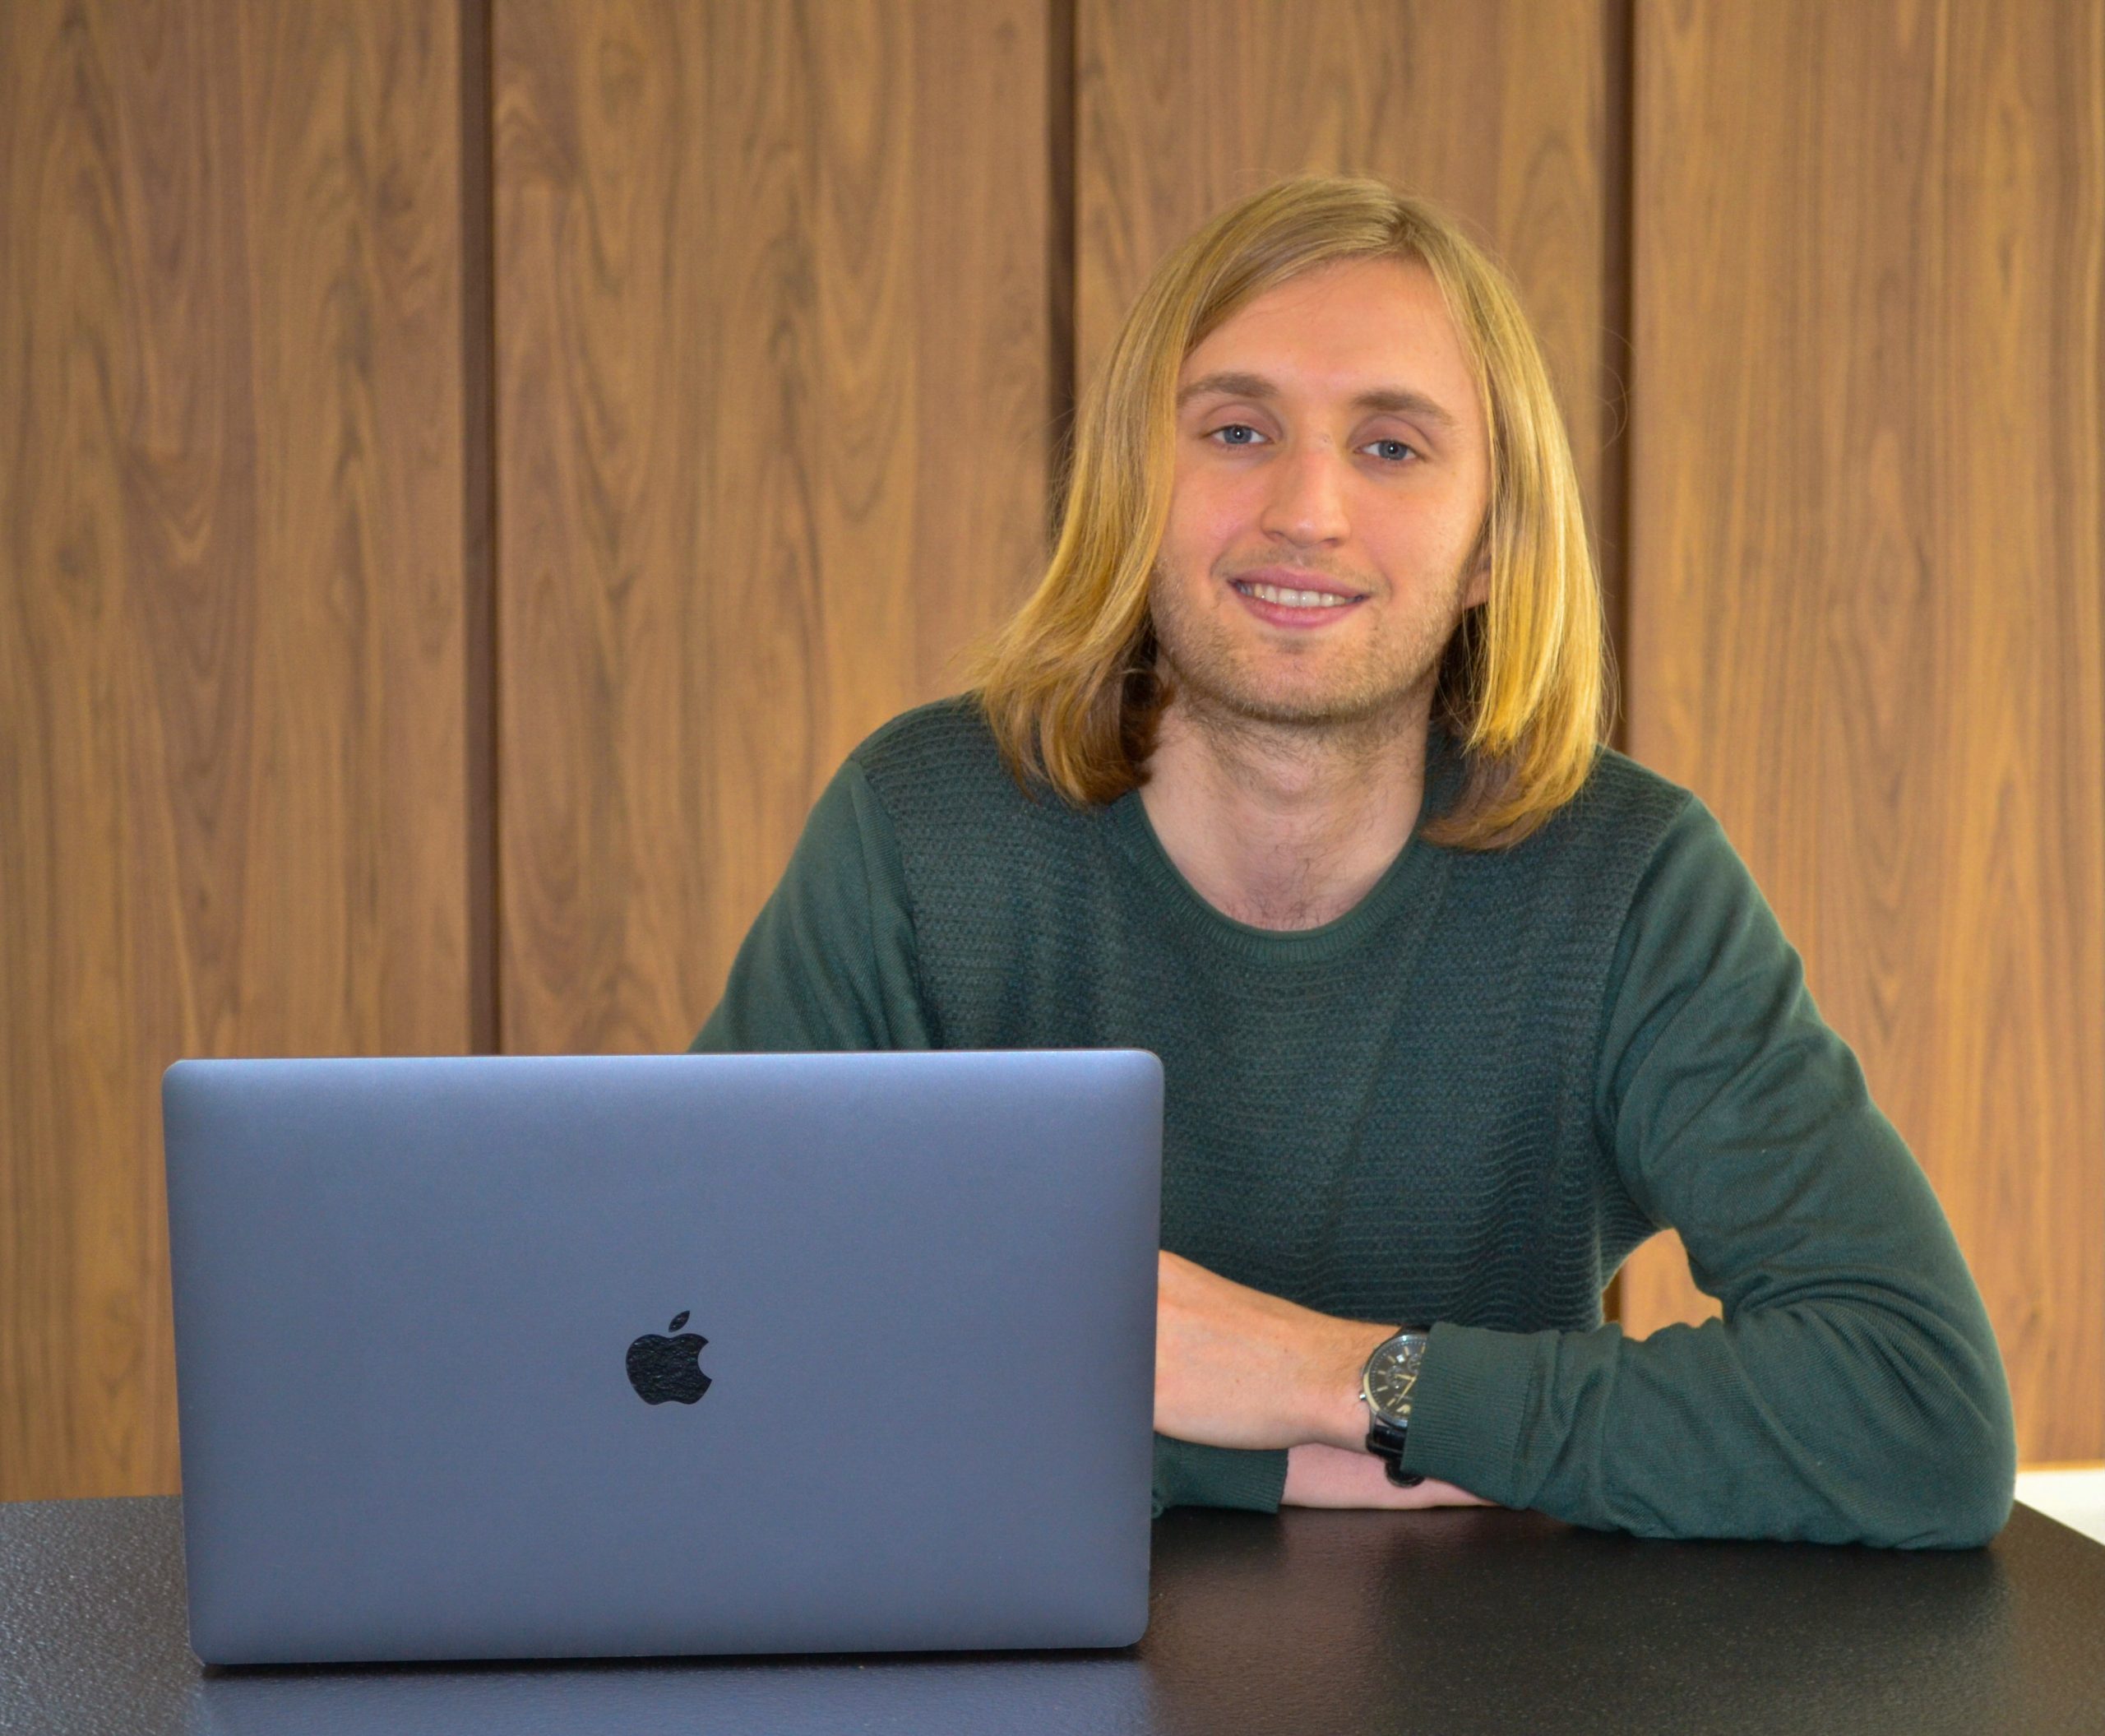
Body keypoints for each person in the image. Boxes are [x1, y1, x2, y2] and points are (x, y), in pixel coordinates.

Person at [689, 174, 2016, 1547]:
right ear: (1139, 483)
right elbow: (706, 1343)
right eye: (1237, 428)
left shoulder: (1632, 883)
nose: (1305, 509)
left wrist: (1324, 1377)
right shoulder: (922, 828)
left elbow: (1920, 1417)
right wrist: (1287, 1461)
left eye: (1391, 448)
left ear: (1495, 540)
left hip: (1487, 1673)